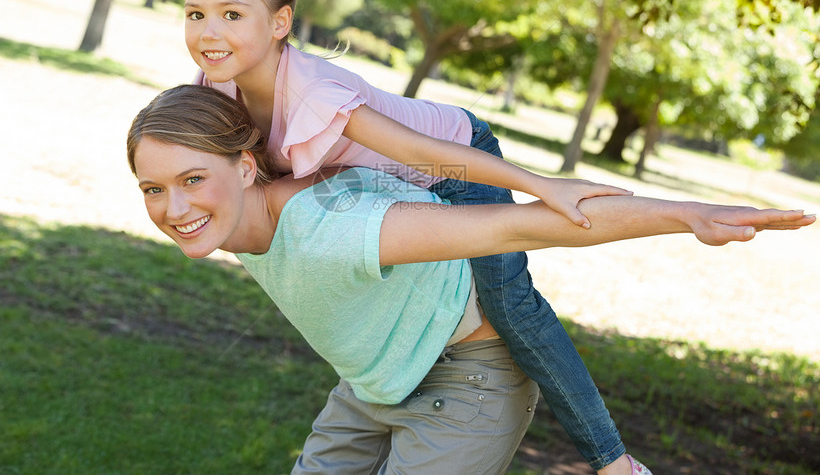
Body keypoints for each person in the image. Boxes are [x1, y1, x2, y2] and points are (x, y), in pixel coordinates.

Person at [127, 85, 814, 474]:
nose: (175, 209)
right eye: (153, 188)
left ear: (247, 166)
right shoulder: (233, 212)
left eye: (193, 180)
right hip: (374, 381)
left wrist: (690, 213)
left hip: (467, 382)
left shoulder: (336, 229)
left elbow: (522, 227)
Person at [183, 0, 645, 473]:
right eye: (195, 14)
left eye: (231, 15)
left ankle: (614, 460)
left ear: (280, 22)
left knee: (508, 302)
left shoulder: (313, 94)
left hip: (454, 161)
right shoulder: (215, 88)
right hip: (384, 187)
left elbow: (429, 153)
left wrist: (544, 185)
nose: (208, 32)